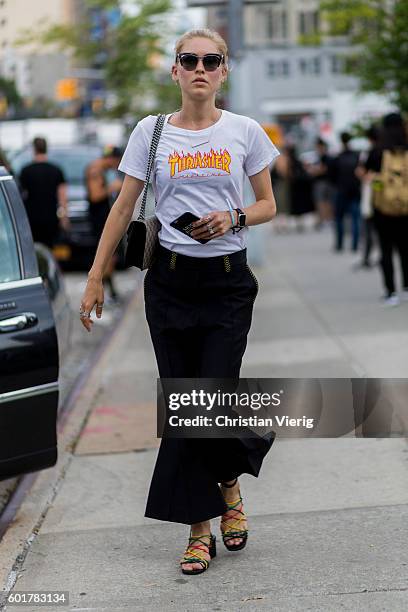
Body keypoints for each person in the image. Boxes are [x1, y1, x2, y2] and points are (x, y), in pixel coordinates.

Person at [78, 28, 279, 575]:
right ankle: (199, 532)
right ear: (174, 71)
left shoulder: (244, 131)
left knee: (209, 402)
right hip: (168, 286)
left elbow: (268, 204)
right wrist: (96, 276)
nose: (199, 68)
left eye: (210, 60)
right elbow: (121, 209)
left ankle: (230, 485)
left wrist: (233, 217)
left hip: (227, 285)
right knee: (184, 407)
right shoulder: (152, 131)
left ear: (224, 71)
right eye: (189, 59)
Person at [362, 113, 408, 306]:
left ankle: (390, 292)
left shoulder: (378, 150)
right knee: (406, 249)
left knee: (386, 250)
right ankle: (406, 288)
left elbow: (365, 175)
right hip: (406, 208)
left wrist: (380, 186)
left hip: (383, 209)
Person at [84, 146, 123, 302]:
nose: (117, 165)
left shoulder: (101, 170)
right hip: (99, 219)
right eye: (117, 161)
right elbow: (95, 195)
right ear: (111, 159)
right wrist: (111, 188)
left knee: (111, 256)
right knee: (107, 255)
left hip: (102, 216)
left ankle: (110, 289)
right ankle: (106, 290)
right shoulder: (95, 170)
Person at [19, 137, 69, 248]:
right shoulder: (56, 170)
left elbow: (21, 196)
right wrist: (64, 218)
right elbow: (62, 197)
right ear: (46, 149)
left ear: (34, 149)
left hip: (31, 218)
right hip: (51, 218)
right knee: (50, 249)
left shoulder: (26, 171)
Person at [331, 132, 361, 252]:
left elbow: (332, 175)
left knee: (339, 218)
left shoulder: (338, 157)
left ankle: (339, 244)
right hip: (354, 191)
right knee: (355, 219)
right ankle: (354, 245)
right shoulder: (357, 156)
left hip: (341, 190)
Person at [355, 126, 380, 268]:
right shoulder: (388, 151)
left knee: (368, 226)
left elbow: (361, 172)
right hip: (387, 195)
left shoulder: (369, 153)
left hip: (370, 192)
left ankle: (367, 257)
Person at [307, 137, 334, 230]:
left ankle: (326, 220)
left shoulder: (324, 157)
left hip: (322, 183)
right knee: (326, 202)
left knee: (322, 202)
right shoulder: (323, 156)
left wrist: (313, 170)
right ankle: (327, 220)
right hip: (327, 182)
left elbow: (322, 169)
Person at [287, 144, 314, 232]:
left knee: (296, 205)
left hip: (295, 186)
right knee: (299, 205)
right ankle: (300, 223)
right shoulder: (297, 161)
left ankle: (299, 223)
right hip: (299, 186)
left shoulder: (290, 161)